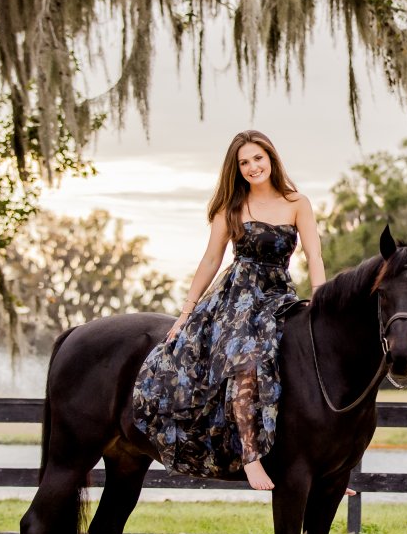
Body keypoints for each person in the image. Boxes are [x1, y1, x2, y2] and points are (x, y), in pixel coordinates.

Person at [132, 129, 326, 490]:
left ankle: (322, 462)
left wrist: (319, 298)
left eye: (258, 158)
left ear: (271, 157)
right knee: (246, 361)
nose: (253, 167)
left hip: (278, 295)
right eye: (244, 162)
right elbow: (210, 260)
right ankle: (250, 456)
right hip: (236, 298)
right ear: (236, 169)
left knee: (304, 360)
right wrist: (186, 312)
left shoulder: (297, 202)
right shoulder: (231, 207)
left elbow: (314, 254)